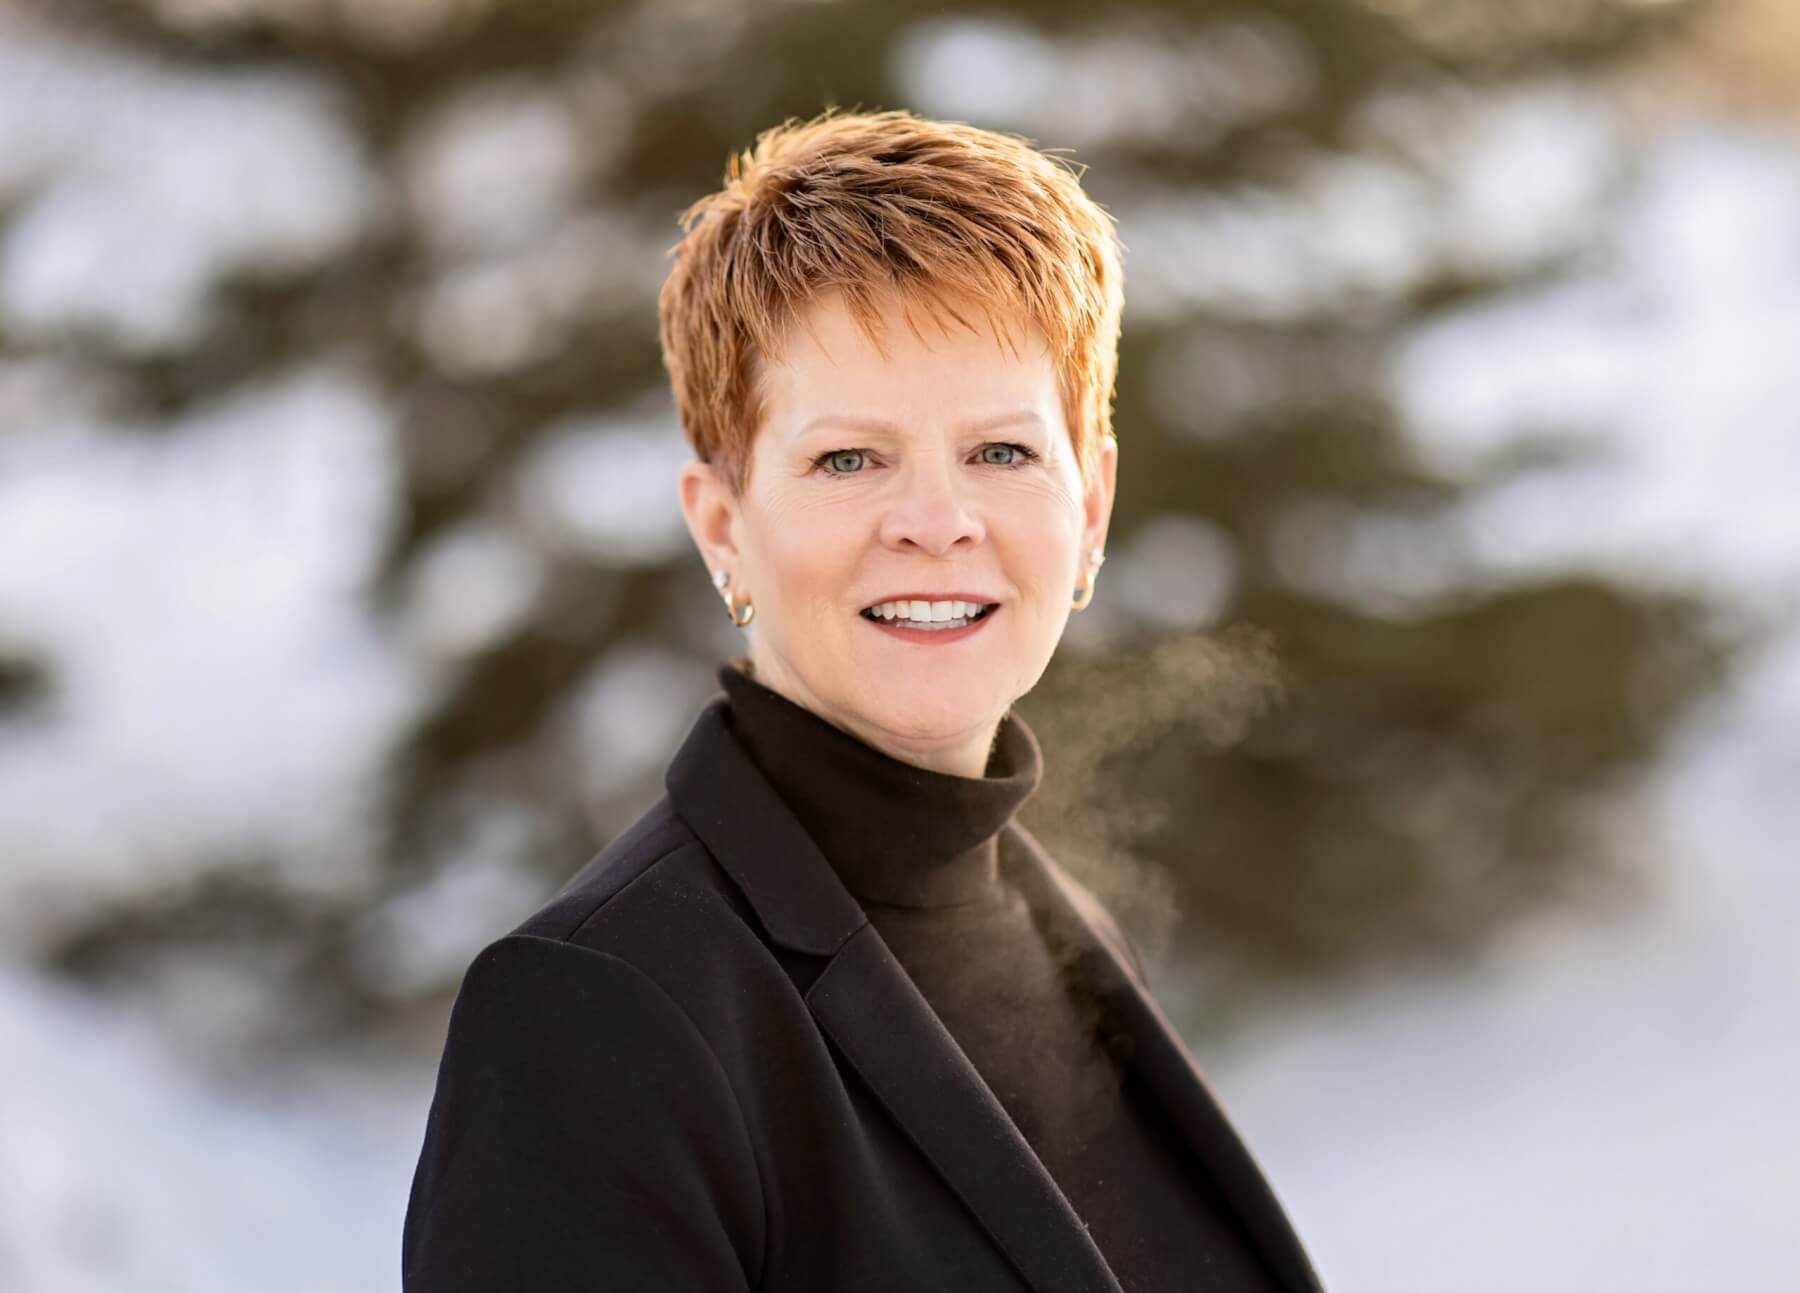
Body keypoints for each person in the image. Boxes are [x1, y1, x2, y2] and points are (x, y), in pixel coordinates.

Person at [402, 108, 1323, 1293]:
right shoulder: (597, 1015)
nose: (937, 521)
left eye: (1000, 452)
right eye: (850, 459)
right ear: (723, 526)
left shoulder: (1063, 932)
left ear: (1088, 506)